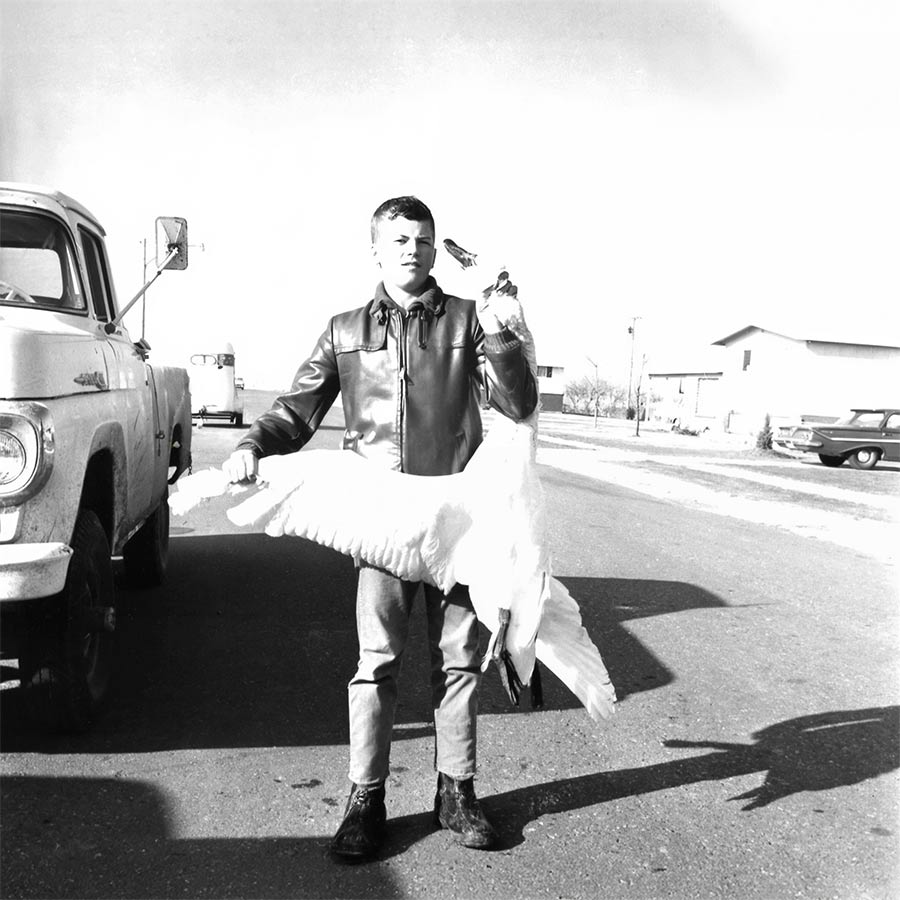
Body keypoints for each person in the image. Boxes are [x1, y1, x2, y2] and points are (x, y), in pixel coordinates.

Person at [223, 196, 537, 859]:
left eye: (423, 240)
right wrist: (256, 442)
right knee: (376, 665)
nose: (412, 249)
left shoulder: (469, 319)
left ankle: (456, 792)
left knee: (459, 663)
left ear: (434, 248)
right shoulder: (343, 331)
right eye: (399, 239)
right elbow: (296, 408)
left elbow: (518, 402)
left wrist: (504, 326)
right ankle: (365, 800)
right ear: (376, 248)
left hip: (457, 523)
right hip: (383, 528)